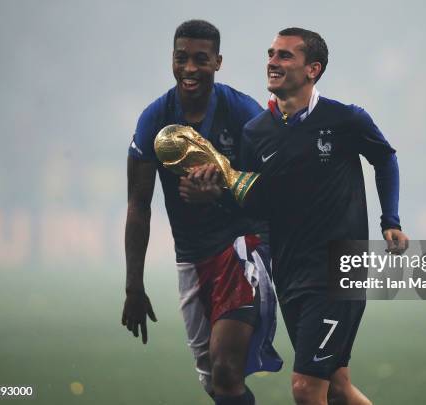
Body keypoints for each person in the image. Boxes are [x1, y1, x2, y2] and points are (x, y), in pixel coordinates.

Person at [187, 27, 408, 405]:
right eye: (271, 54)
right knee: (336, 387)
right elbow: (255, 202)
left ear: (313, 69)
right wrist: (215, 193)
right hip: (289, 272)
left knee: (307, 389)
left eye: (285, 56)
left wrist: (391, 220)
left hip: (340, 267)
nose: (273, 62)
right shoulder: (255, 132)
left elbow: (385, 158)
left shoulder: (345, 119)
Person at [121, 19, 281, 405]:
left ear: (218, 62)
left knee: (226, 368)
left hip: (242, 247)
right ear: (172, 60)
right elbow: (138, 206)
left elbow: (276, 189)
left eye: (200, 59)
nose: (189, 68)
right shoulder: (153, 121)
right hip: (192, 258)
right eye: (181, 58)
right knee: (216, 383)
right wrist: (133, 286)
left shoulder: (243, 113)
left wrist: (222, 192)